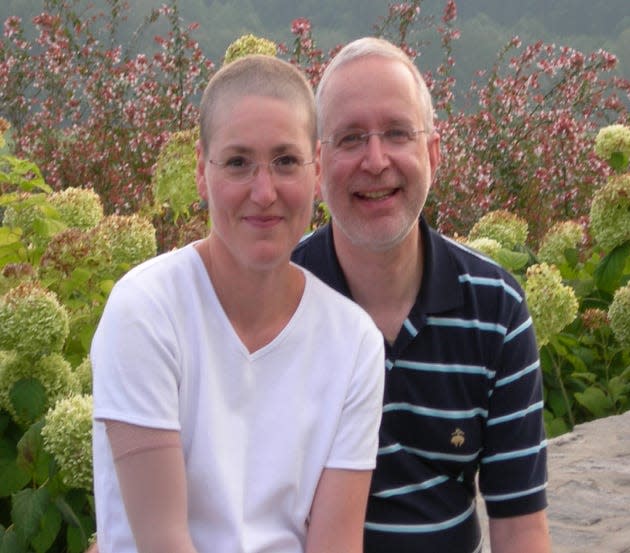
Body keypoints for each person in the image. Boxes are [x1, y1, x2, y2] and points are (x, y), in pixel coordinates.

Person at [91, 54, 385, 553]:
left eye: (286, 161)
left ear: (316, 171)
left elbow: (335, 544)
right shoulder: (146, 311)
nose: (264, 192)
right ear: (202, 173)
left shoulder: (353, 342)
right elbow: (163, 541)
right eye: (238, 163)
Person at [291, 37, 552, 553]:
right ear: (318, 166)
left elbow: (520, 526)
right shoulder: (278, 297)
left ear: (432, 152)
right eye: (349, 139)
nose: (375, 159)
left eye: (396, 133)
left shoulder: (495, 309)